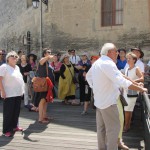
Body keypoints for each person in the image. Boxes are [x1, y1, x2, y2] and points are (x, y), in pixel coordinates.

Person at [86, 43, 147, 150]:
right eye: (116, 51)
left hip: (99, 101)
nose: (117, 53)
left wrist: (96, 89)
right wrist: (141, 89)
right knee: (113, 129)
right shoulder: (108, 64)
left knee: (101, 129)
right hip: (109, 102)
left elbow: (88, 76)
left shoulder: (98, 62)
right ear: (109, 52)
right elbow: (122, 81)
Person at [0, 51, 25, 137]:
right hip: (9, 94)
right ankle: (6, 130)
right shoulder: (4, 67)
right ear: (7, 59)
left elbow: (19, 79)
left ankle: (14, 126)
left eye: (15, 56)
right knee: (8, 112)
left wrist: (21, 91)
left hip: (18, 93)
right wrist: (2, 91)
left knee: (16, 111)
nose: (14, 57)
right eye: (12, 56)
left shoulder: (17, 67)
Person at [124, 52, 144, 132]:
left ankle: (126, 126)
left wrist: (132, 81)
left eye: (129, 58)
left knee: (127, 109)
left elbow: (142, 78)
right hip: (126, 91)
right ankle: (128, 125)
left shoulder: (136, 68)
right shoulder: (127, 68)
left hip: (133, 91)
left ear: (134, 60)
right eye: (127, 58)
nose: (128, 60)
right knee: (129, 109)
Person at [33, 49, 54, 124]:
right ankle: (40, 119)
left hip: (45, 83)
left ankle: (44, 116)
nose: (50, 54)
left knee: (46, 100)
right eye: (48, 52)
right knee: (42, 101)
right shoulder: (42, 59)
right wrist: (48, 57)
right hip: (42, 84)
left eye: (50, 52)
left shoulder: (47, 61)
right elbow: (41, 61)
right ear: (44, 54)